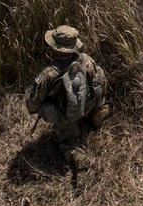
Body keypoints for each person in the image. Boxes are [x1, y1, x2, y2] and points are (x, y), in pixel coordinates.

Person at [25, 25, 110, 173]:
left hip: (66, 116)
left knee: (68, 142)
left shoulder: (49, 74)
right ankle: (98, 115)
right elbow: (98, 82)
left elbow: (33, 105)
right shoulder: (86, 59)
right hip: (87, 103)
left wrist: (39, 108)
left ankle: (78, 158)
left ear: (56, 48)